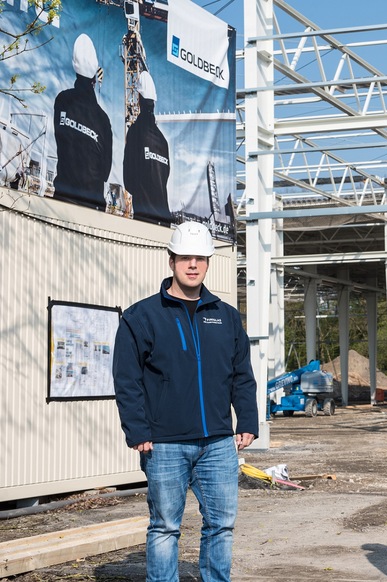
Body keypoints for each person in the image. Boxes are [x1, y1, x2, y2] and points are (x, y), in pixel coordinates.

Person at [113, 221, 259, 582]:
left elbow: (241, 373)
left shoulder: (226, 317)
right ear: (171, 261)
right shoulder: (141, 317)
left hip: (219, 444)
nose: (192, 265)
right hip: (163, 443)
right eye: (184, 258)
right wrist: (138, 430)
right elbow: (127, 380)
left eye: (200, 258)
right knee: (164, 527)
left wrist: (249, 421)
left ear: (209, 262)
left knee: (221, 525)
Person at [53, 33, 113, 209]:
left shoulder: (62, 100)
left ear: (74, 66)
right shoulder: (103, 119)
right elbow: (105, 171)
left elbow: (60, 141)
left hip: (62, 198)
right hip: (92, 206)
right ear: (95, 76)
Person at [124, 71, 172, 224]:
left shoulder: (135, 131)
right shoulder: (163, 141)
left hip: (145, 219)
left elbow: (128, 180)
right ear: (154, 102)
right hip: (165, 218)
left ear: (138, 98)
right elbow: (165, 177)